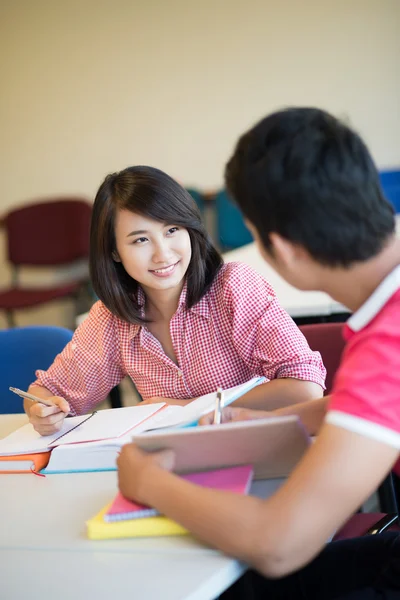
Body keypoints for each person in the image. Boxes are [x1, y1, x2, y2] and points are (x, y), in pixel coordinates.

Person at [117, 109, 400, 599]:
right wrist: (274, 417)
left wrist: (148, 484)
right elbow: (371, 405)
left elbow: (277, 544)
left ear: (283, 249)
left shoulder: (388, 344)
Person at [24, 165, 324, 436]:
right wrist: (43, 411)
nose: (162, 253)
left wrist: (184, 408)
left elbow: (305, 390)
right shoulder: (112, 317)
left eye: (172, 230)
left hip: (262, 449)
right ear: (114, 252)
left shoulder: (233, 287)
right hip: (181, 461)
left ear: (189, 229)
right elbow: (50, 391)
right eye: (140, 239)